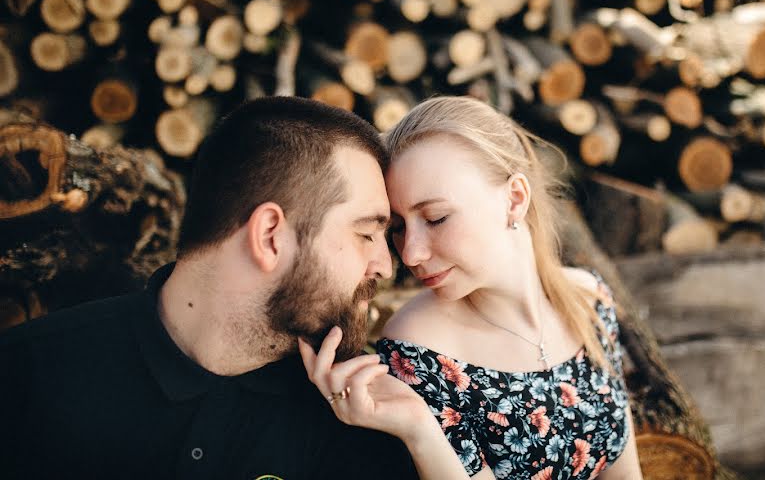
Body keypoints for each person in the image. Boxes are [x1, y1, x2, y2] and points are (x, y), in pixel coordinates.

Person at [0, 97, 448, 479]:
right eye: (366, 233)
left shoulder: (361, 421)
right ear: (270, 235)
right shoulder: (27, 378)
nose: (387, 266)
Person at [374, 96, 645, 479]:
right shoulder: (419, 349)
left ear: (515, 199)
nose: (412, 253)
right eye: (398, 228)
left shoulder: (589, 300)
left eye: (436, 218)